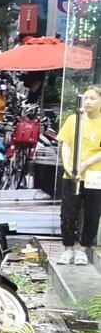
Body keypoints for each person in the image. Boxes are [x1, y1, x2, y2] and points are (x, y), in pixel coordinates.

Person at [64, 88, 101, 266]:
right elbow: (66, 144)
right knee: (68, 212)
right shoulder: (74, 120)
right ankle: (68, 248)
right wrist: (67, 165)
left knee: (92, 213)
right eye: (86, 98)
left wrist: (86, 163)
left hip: (95, 174)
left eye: (92, 99)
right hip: (72, 174)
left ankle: (83, 248)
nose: (87, 102)